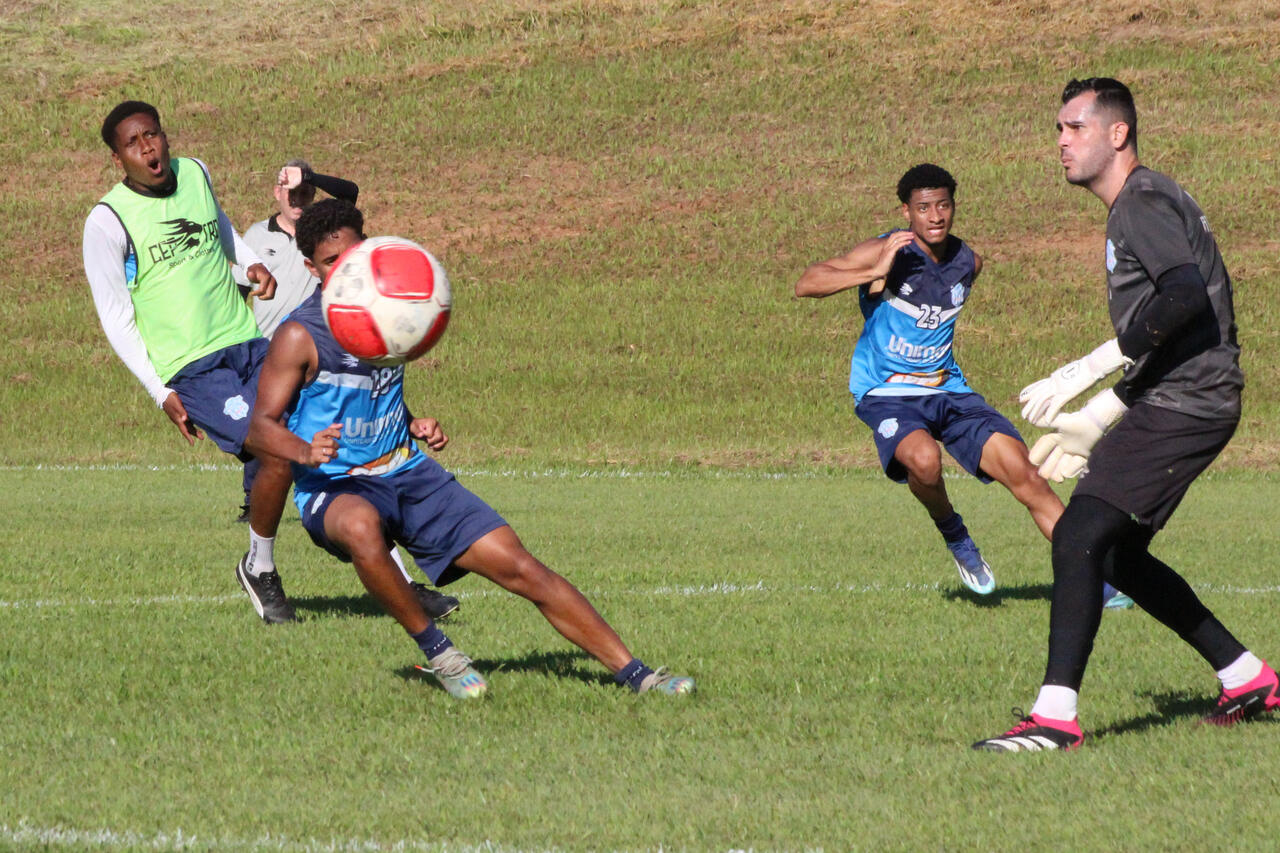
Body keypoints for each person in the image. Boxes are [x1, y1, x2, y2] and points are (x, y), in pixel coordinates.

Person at [244, 198, 695, 698]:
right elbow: (259, 426)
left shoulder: (393, 315)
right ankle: (443, 655)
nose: (345, 269)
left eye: (353, 256)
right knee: (359, 526)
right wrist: (305, 451)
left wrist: (411, 422)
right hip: (336, 486)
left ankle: (639, 675)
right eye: (331, 263)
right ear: (310, 267)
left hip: (408, 471)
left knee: (521, 566)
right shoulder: (298, 335)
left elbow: (365, 393)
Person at [973, 78, 1276, 752]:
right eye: (1057, 128)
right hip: (1180, 395)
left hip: (1189, 400)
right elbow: (1178, 320)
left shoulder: (1140, 201)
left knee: (1078, 533)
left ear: (1117, 134)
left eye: (1074, 127)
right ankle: (1246, 675)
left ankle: (1054, 717)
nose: (1060, 141)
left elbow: (1185, 298)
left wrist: (1092, 370)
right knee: (1117, 554)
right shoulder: (1146, 201)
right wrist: (1104, 413)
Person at [82, 101, 456, 626]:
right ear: (117, 157)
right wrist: (158, 389)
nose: (147, 147)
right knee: (279, 449)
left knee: (328, 435)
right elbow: (115, 315)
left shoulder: (194, 172)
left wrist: (247, 262)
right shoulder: (107, 222)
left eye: (153, 134)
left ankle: (397, 582)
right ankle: (259, 566)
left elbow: (218, 226)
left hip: (249, 341)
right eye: (132, 142)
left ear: (165, 137)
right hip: (192, 367)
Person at [794, 164, 1130, 607]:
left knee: (1027, 476)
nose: (934, 216)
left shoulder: (968, 262)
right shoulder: (886, 250)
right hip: (886, 392)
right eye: (923, 208)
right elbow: (806, 283)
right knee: (925, 461)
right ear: (906, 212)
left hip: (949, 391)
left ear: (953, 207)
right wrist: (873, 270)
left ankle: (1097, 581)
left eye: (943, 206)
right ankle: (956, 535)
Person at [229, 161, 358, 522]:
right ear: (277, 194)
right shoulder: (255, 236)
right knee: (268, 426)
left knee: (319, 420)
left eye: (305, 192)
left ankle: (337, 490)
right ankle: (255, 502)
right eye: (291, 192)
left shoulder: (322, 235)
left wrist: (312, 177)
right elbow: (235, 293)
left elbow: (350, 195)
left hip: (316, 349)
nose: (298, 199)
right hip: (265, 351)